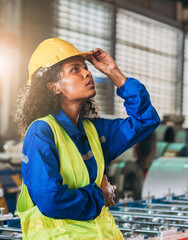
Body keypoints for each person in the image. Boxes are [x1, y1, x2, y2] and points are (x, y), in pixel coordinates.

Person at [14, 38, 160, 239]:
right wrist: (100, 195)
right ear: (53, 87)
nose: (88, 72)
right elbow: (50, 200)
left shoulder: (95, 132)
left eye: (85, 67)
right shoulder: (42, 131)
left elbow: (146, 120)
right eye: (75, 69)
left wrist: (113, 73)